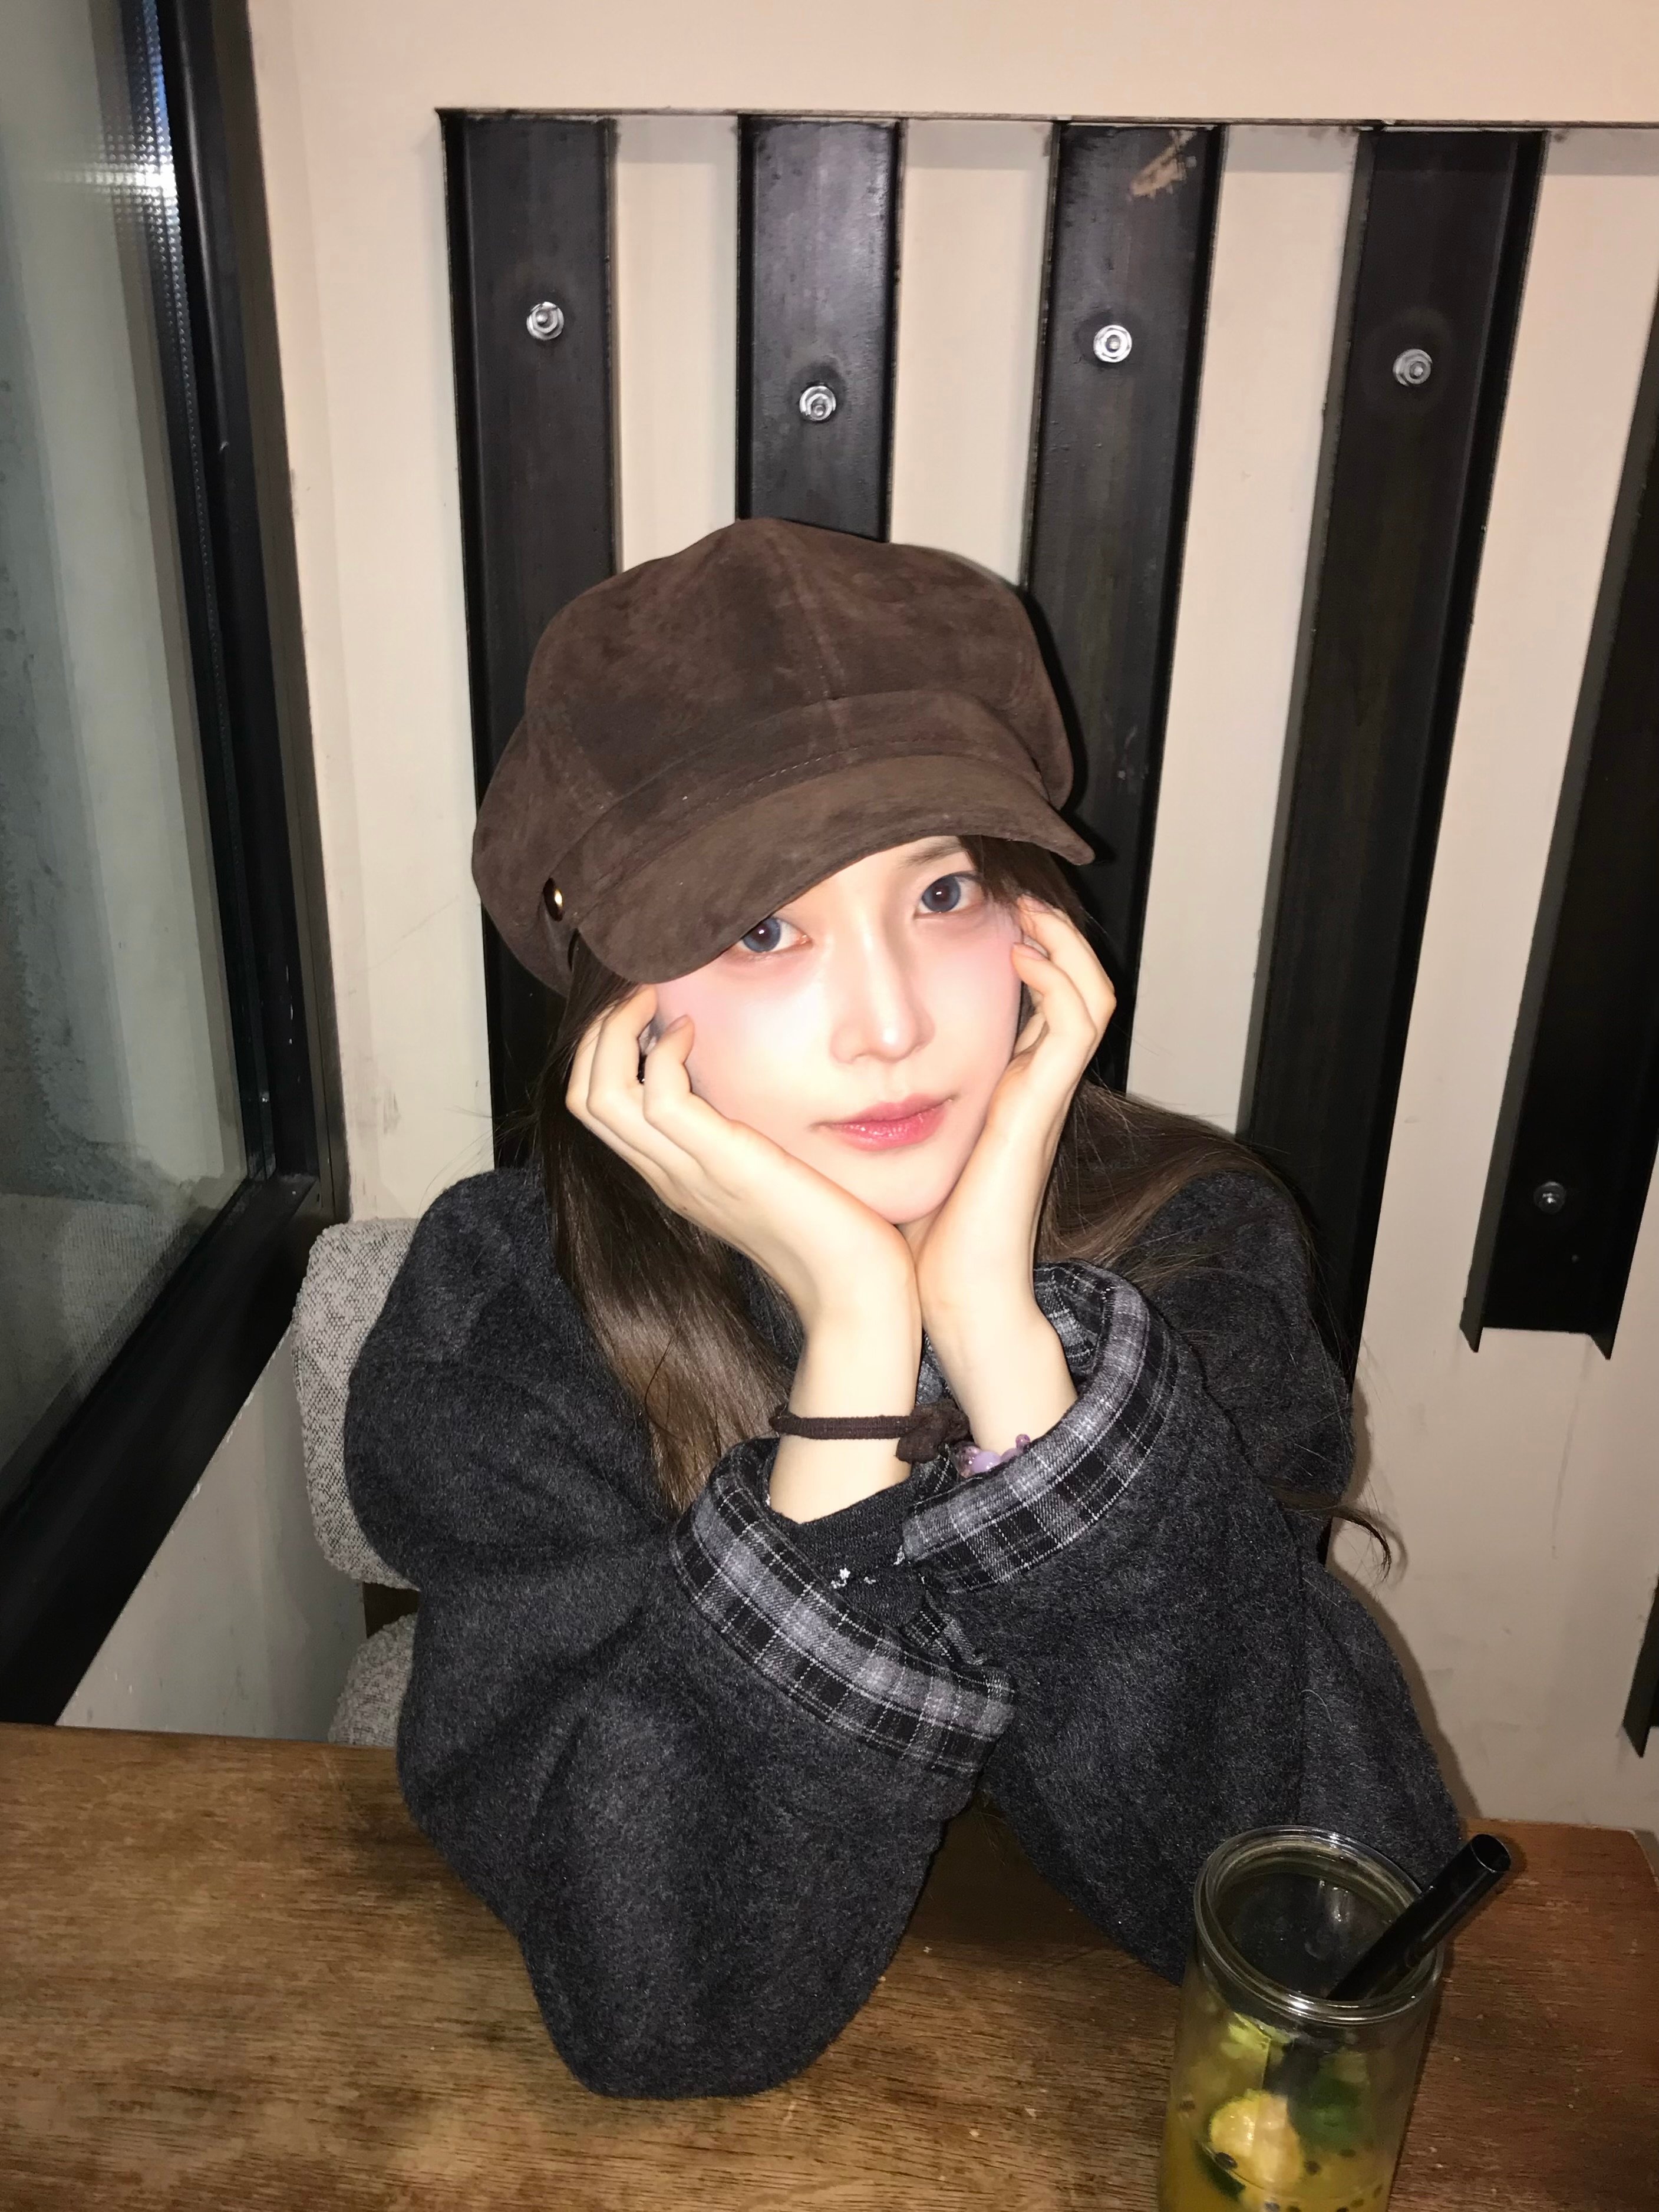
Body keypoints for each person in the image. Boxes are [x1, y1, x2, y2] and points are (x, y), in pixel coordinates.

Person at [344, 517, 1459, 2100]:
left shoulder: (1197, 1244)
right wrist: (857, 1357)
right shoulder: (513, 1303)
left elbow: (1332, 1945)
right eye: (764, 929)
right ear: (617, 995)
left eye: (943, 892)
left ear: (1034, 924)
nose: (889, 1022)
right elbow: (662, 2002)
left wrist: (1008, 1345)